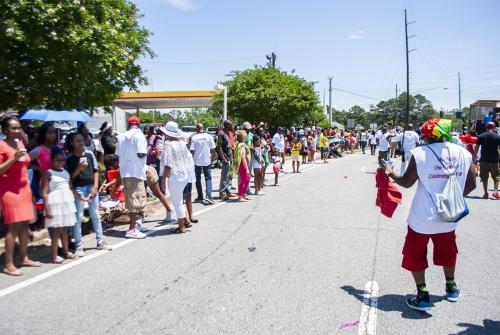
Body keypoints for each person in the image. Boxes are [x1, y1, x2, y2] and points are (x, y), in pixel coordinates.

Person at [383, 118, 476, 312]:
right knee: (448, 251)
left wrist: (390, 173)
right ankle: (451, 287)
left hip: (422, 218)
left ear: (426, 136)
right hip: (450, 217)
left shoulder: (420, 153)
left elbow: (407, 182)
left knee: (415, 254)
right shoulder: (464, 153)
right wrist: (453, 198)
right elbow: (471, 185)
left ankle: (422, 295)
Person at [0, 117, 40, 276]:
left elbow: (26, 164)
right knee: (14, 227)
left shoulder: (20, 143)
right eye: (13, 128)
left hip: (24, 189)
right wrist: (14, 158)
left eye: (19, 128)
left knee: (24, 226)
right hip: (10, 191)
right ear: (5, 130)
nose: (17, 131)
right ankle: (8, 264)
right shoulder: (1, 146)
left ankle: (24, 258)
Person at [65, 133, 109, 255]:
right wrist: (78, 168)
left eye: (82, 140)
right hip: (78, 188)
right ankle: (79, 244)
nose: (81, 143)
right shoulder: (69, 158)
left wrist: (95, 186)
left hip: (91, 187)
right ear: (72, 143)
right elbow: (69, 177)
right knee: (78, 217)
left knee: (95, 214)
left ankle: (100, 241)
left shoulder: (89, 154)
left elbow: (96, 171)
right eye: (77, 141)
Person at [41, 149, 77, 264]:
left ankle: (66, 251)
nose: (60, 162)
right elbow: (45, 192)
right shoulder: (49, 173)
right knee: (57, 230)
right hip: (55, 203)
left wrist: (81, 197)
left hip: (66, 203)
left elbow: (70, 188)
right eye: (57, 160)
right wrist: (46, 208)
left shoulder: (65, 172)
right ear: (52, 161)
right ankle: (54, 255)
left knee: (64, 229)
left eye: (62, 160)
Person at [116, 116, 148, 239]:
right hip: (136, 171)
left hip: (125, 171)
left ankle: (137, 225)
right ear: (138, 125)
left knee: (133, 200)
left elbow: (118, 154)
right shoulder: (139, 136)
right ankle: (132, 229)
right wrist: (148, 150)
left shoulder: (121, 136)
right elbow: (141, 154)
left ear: (128, 124)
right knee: (136, 201)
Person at [161, 122, 196, 233]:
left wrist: (163, 179)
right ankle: (186, 221)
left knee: (177, 202)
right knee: (179, 199)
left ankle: (181, 227)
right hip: (184, 174)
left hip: (175, 175)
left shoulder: (168, 145)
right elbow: (189, 159)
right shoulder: (181, 143)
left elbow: (168, 164)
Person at [190, 123, 216, 205]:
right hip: (207, 160)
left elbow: (192, 151)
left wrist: (192, 160)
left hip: (197, 161)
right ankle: (209, 197)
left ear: (197, 128)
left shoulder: (194, 138)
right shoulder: (209, 136)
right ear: (203, 128)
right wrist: (212, 160)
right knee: (208, 178)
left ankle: (200, 196)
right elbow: (213, 150)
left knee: (197, 179)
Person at [474, 122, 500, 199]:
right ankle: (495, 191)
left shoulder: (481, 136)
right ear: (494, 128)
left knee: (484, 177)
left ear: (486, 127)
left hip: (483, 160)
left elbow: (477, 148)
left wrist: (474, 157)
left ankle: (485, 193)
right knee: (496, 177)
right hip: (494, 161)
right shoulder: (497, 137)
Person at [217, 120, 235, 200]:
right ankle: (222, 193)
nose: (232, 126)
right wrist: (223, 158)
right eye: (231, 125)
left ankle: (228, 191)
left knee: (230, 176)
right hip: (226, 158)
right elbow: (219, 147)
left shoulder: (229, 133)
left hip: (231, 157)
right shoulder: (221, 133)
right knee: (225, 176)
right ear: (227, 125)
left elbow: (231, 145)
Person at [233, 130, 251, 202]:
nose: (246, 136)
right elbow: (243, 157)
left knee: (247, 178)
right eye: (245, 135)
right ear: (243, 137)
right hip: (243, 165)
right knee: (245, 180)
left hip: (242, 164)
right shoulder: (242, 146)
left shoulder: (240, 144)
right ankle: (240, 196)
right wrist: (247, 168)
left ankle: (243, 194)